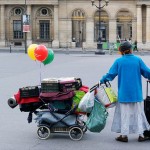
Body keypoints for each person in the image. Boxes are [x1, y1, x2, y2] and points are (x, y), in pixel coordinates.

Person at [100, 41, 150, 142]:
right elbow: (147, 72)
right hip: (136, 93)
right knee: (138, 113)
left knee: (124, 114)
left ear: (122, 51)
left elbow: (110, 74)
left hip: (124, 93)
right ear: (131, 49)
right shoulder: (137, 60)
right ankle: (141, 135)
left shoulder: (119, 61)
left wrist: (102, 80)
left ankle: (124, 136)